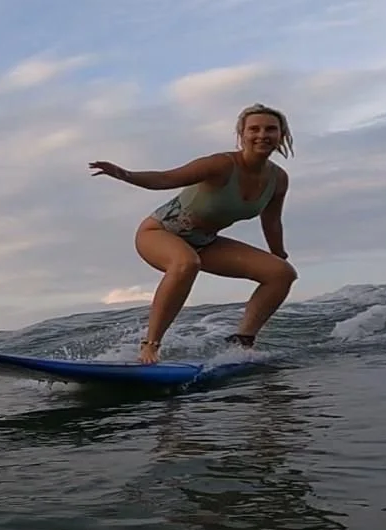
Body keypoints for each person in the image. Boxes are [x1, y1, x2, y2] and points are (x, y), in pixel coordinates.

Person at [88, 103, 298, 364]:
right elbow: (166, 178)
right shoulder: (221, 164)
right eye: (253, 129)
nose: (262, 135)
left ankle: (242, 342)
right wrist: (124, 174)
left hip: (205, 242)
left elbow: (272, 220)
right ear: (241, 135)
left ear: (281, 135)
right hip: (159, 232)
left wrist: (278, 254)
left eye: (270, 129)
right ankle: (150, 346)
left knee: (282, 274)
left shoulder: (278, 179)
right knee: (186, 262)